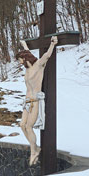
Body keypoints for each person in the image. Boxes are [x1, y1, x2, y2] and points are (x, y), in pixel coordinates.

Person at [15, 35, 58, 167]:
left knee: (29, 126)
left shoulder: (38, 65)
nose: (19, 62)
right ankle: (34, 148)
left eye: (19, 59)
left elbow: (46, 56)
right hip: (27, 101)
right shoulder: (27, 70)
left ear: (24, 58)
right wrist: (24, 45)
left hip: (35, 101)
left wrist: (52, 44)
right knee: (22, 125)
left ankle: (34, 151)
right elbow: (28, 52)